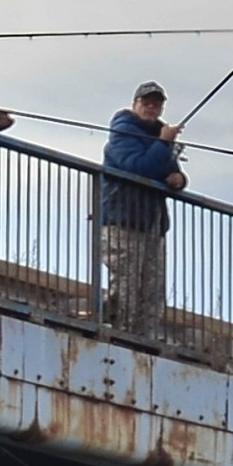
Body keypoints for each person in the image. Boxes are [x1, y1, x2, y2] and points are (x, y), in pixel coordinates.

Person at [96, 81, 185, 335]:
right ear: (135, 104)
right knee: (125, 285)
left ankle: (147, 339)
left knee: (152, 290)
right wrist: (164, 144)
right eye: (146, 102)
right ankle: (119, 334)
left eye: (156, 104)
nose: (151, 107)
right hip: (122, 220)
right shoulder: (123, 131)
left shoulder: (161, 137)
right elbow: (138, 166)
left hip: (152, 225)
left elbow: (168, 170)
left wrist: (179, 180)